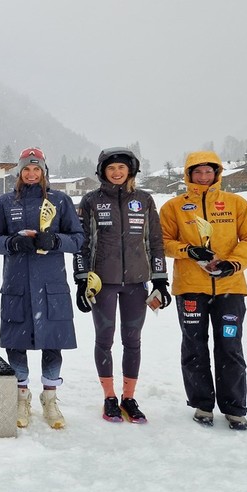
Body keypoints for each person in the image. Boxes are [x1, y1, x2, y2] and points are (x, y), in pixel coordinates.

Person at [159, 151, 247, 430]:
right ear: (188, 175)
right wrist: (188, 250)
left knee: (230, 347)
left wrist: (234, 263)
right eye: (198, 172)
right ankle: (202, 404)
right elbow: (163, 241)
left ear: (217, 173)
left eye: (208, 172)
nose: (203, 177)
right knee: (194, 347)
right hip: (191, 288)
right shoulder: (173, 207)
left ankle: (234, 407)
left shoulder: (235, 203)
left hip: (230, 288)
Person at [0, 147, 84, 429]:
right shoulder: (5, 203)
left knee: (53, 342)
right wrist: (12, 243)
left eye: (36, 169)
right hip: (17, 285)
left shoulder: (60, 201)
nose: (31, 174)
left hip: (51, 286)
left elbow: (78, 239)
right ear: (19, 172)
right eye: (26, 169)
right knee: (16, 341)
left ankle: (49, 400)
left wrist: (55, 241)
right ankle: (20, 397)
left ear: (44, 172)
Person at [73, 147, 170, 424]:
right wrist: (81, 281)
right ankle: (109, 397)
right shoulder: (91, 200)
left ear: (131, 171)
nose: (116, 172)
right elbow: (82, 244)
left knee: (133, 341)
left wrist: (160, 280)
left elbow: (155, 243)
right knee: (104, 340)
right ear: (103, 171)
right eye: (111, 168)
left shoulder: (144, 200)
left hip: (137, 283)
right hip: (103, 283)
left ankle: (129, 397)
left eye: (121, 168)